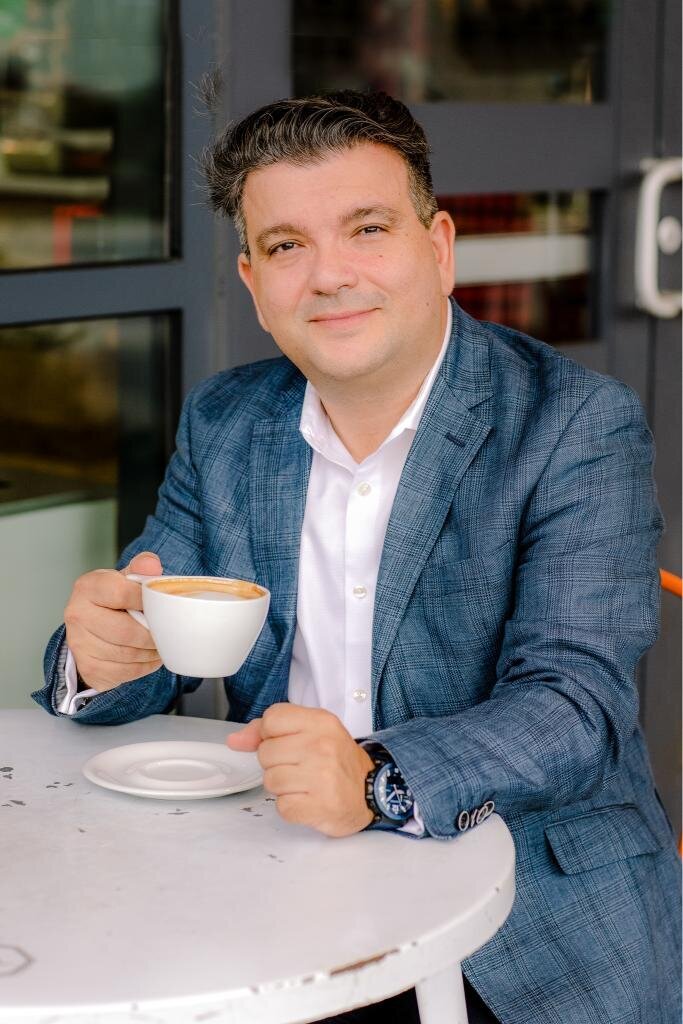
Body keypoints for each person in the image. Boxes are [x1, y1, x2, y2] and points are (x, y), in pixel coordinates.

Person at [34, 91, 681, 1024]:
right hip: (279, 887)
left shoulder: (573, 422)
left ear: (440, 248)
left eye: (366, 228)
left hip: (534, 920)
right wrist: (100, 659)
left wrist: (372, 779)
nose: (329, 275)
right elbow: (156, 615)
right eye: (288, 246)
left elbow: (575, 708)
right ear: (254, 284)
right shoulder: (227, 421)